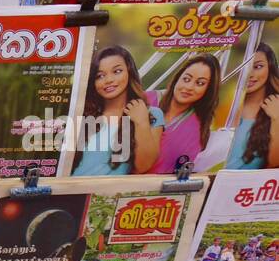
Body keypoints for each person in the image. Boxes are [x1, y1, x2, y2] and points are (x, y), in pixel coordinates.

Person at [70, 45, 163, 176]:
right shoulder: (83, 113)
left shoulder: (152, 114)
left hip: (106, 194)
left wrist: (141, 122)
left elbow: (143, 167)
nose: (108, 80)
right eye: (100, 76)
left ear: (129, 72)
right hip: (69, 191)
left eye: (117, 71)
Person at [146, 54, 220, 173]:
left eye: (200, 83)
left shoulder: (196, 129)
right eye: (186, 79)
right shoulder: (146, 99)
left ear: (208, 90)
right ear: (177, 78)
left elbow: (179, 173)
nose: (189, 87)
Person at [224, 43, 279, 169]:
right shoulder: (219, 104)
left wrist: (277, 120)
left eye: (258, 66)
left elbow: (274, 164)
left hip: (250, 186)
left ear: (270, 68)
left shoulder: (275, 106)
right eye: (242, 67)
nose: (249, 74)